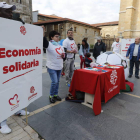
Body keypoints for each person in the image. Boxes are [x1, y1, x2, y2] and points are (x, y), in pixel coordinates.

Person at [0, 2, 29, 134]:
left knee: (14, 88)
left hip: (12, 66)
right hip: (2, 67)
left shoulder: (12, 25)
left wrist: (24, 31)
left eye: (11, 11)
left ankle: (15, 109)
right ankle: (1, 122)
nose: (11, 13)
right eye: (7, 11)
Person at [43, 28, 65, 103]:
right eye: (56, 36)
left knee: (58, 81)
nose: (58, 38)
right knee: (54, 81)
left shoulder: (60, 45)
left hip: (59, 66)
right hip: (52, 67)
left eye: (58, 36)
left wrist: (63, 56)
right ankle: (51, 95)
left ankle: (55, 94)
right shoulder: (49, 44)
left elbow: (63, 56)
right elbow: (44, 42)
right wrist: (42, 33)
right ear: (51, 37)